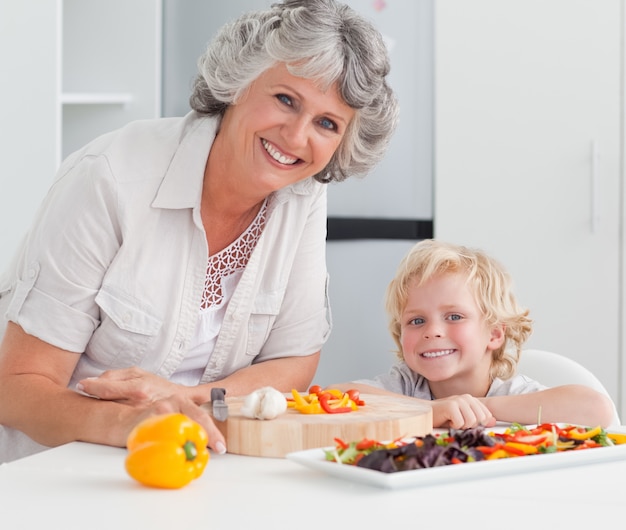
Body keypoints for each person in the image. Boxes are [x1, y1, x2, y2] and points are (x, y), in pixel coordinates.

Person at [0, 0, 399, 462]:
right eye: (285, 100)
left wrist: (187, 401)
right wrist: (135, 422)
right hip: (52, 473)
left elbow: (293, 362)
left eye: (326, 124)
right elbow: (17, 388)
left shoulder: (303, 194)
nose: (295, 137)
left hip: (195, 465)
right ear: (239, 82)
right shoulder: (111, 176)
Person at [332, 239, 618, 429]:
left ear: (494, 334)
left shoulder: (511, 395)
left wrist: (475, 407)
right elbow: (334, 396)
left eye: (454, 317)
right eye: (416, 320)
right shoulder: (406, 386)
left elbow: (596, 409)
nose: (432, 331)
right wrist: (432, 411)